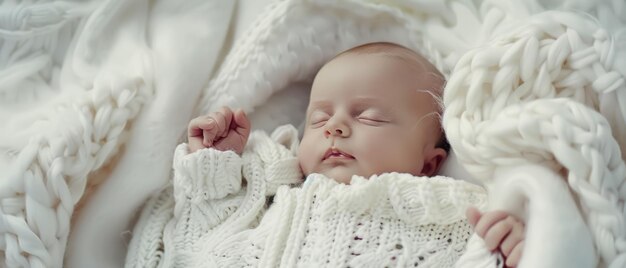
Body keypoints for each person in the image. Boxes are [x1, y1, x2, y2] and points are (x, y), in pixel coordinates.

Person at [125, 42, 525, 267]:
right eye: (318, 119)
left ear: (429, 163)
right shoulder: (272, 194)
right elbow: (200, 234)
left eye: (369, 117)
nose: (335, 127)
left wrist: (503, 251)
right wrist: (216, 162)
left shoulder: (442, 214)